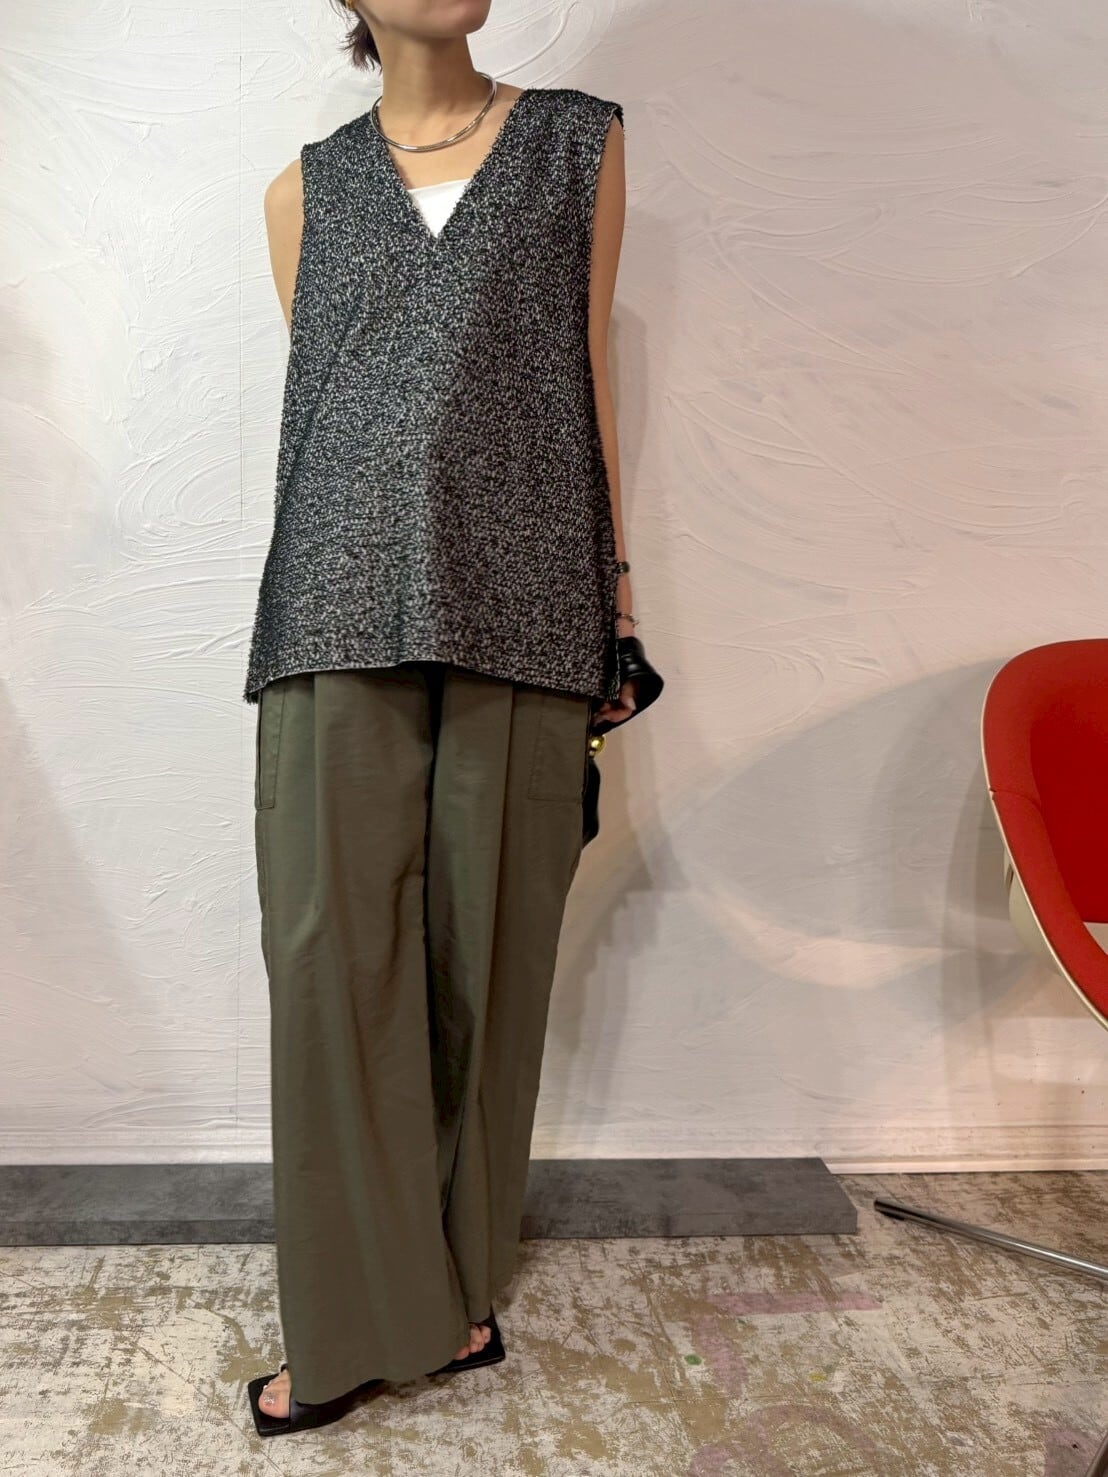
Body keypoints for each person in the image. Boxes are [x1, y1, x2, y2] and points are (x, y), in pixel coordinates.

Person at [242, 0, 661, 1439]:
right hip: (334, 608)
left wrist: (613, 594)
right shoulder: (305, 190)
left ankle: (457, 1293)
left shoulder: (577, 146)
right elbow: (334, 420)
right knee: (333, 969)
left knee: (489, 959)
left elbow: (585, 372)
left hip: (525, 596)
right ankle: (351, 1320)